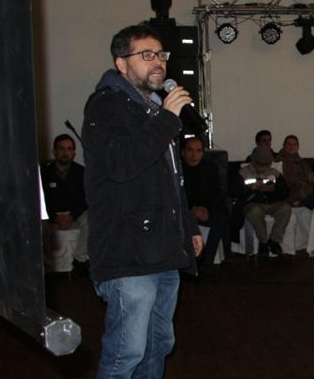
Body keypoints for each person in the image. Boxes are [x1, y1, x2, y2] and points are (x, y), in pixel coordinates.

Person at [83, 24, 203, 377]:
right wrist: (167, 119)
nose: (158, 62)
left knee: (158, 344)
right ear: (121, 64)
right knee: (126, 353)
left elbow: (171, 180)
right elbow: (121, 164)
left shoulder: (152, 110)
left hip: (163, 247)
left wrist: (188, 226)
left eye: (161, 55)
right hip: (127, 253)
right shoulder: (105, 106)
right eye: (146, 55)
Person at [40, 134, 89, 270]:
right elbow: (42, 199)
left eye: (69, 149)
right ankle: (46, 266)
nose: (65, 152)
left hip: (74, 214)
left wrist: (72, 216)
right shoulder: (44, 172)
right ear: (54, 152)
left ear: (74, 153)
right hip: (51, 214)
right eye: (61, 148)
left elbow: (85, 198)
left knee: (91, 219)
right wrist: (54, 217)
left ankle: (80, 259)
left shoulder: (81, 172)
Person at [181, 136, 229, 268]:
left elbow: (217, 194)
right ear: (183, 152)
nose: (194, 155)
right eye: (190, 150)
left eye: (198, 151)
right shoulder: (177, 170)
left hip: (205, 210)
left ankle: (207, 260)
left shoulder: (210, 168)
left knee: (221, 217)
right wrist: (191, 209)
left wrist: (208, 211)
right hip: (184, 211)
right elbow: (174, 197)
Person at [239, 146, 292, 257]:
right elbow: (235, 191)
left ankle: (274, 240)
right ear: (254, 162)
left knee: (286, 209)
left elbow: (286, 191)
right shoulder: (244, 173)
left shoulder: (275, 173)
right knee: (255, 212)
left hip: (272, 203)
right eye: (260, 165)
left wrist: (273, 189)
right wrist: (252, 188)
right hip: (253, 203)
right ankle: (263, 241)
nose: (263, 168)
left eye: (266, 165)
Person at [275, 134, 314, 206]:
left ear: (298, 147)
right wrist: (308, 178)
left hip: (307, 191)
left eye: (294, 144)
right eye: (289, 144)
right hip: (294, 194)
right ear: (284, 146)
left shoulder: (300, 160)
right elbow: (289, 180)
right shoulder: (281, 161)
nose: (292, 147)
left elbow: (310, 173)